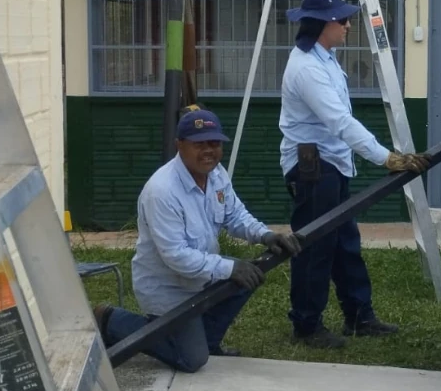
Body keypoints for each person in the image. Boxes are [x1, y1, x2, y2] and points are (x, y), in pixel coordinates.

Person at [92, 107, 303, 374]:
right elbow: (176, 257)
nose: (208, 150)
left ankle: (208, 341)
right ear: (179, 145)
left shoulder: (216, 174)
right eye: (198, 144)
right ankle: (111, 320)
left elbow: (235, 214)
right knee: (192, 361)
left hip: (202, 278)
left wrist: (265, 234)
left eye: (214, 143)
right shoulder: (162, 191)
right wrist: (229, 268)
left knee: (251, 273)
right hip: (169, 289)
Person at [279, 0, 432, 348]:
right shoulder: (307, 69)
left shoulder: (323, 58)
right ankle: (306, 324)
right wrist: (386, 157)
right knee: (315, 246)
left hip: (331, 164)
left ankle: (359, 316)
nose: (348, 25)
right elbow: (340, 122)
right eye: (342, 20)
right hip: (313, 170)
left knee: (345, 243)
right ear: (322, 23)